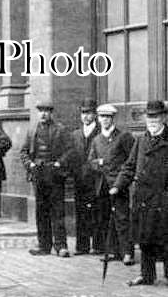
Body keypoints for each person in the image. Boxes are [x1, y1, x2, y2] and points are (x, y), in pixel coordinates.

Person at [111, 100, 168, 286]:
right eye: (149, 116)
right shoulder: (141, 140)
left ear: (164, 117)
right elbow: (129, 166)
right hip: (143, 198)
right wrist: (118, 185)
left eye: (156, 116)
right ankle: (147, 275)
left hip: (163, 198)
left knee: (165, 238)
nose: (152, 120)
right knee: (145, 239)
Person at [21, 101, 73, 257]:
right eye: (41, 111)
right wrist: (29, 164)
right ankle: (43, 245)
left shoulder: (61, 130)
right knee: (41, 212)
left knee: (57, 211)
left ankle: (61, 246)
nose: (43, 114)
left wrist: (59, 163)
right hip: (38, 175)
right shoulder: (32, 131)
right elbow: (23, 152)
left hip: (55, 175)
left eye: (46, 111)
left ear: (51, 113)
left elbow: (70, 151)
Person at [88, 103, 136, 265]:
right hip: (102, 185)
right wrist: (100, 163)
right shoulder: (96, 140)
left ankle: (127, 252)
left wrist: (121, 179)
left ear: (113, 118)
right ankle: (112, 251)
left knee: (122, 218)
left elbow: (131, 160)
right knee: (105, 218)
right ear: (98, 118)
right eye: (102, 117)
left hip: (118, 184)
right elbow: (91, 161)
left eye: (108, 117)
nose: (105, 120)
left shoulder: (123, 137)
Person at [70, 98, 101, 254]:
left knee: (97, 212)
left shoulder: (101, 132)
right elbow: (71, 155)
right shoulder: (75, 134)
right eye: (83, 113)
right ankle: (82, 246)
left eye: (89, 113)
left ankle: (97, 245)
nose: (85, 116)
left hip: (96, 179)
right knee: (81, 212)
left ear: (95, 115)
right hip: (80, 179)